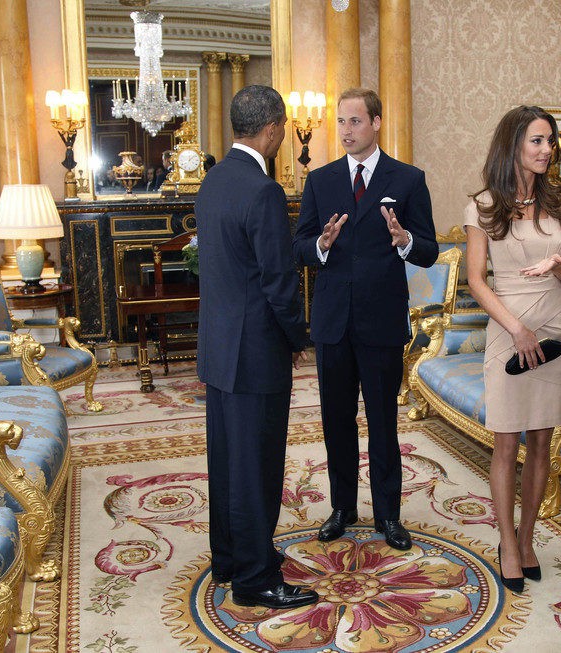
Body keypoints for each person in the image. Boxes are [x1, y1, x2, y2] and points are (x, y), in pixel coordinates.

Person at [293, 87, 438, 551]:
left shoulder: (409, 179)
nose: (345, 131)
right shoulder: (321, 180)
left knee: (382, 423)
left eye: (355, 121)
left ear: (376, 122)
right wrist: (322, 245)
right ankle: (342, 508)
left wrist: (405, 240)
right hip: (333, 322)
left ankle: (389, 516)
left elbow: (431, 250)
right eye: (341, 122)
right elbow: (300, 245)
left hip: (380, 324)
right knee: (337, 420)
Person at [195, 85, 318, 611]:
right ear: (272, 129)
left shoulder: (214, 181)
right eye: (284, 127)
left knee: (227, 458)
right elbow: (278, 281)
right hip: (256, 352)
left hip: (220, 349)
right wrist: (299, 336)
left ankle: (227, 556)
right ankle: (254, 577)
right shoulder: (263, 190)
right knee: (257, 465)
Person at [463, 106, 561, 593]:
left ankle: (528, 539)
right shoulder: (483, 206)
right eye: (537, 141)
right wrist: (515, 328)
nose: (547, 150)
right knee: (506, 440)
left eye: (550, 141)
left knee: (540, 443)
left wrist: (557, 264)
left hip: (554, 326)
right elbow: (475, 280)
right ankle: (506, 544)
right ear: (513, 144)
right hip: (507, 326)